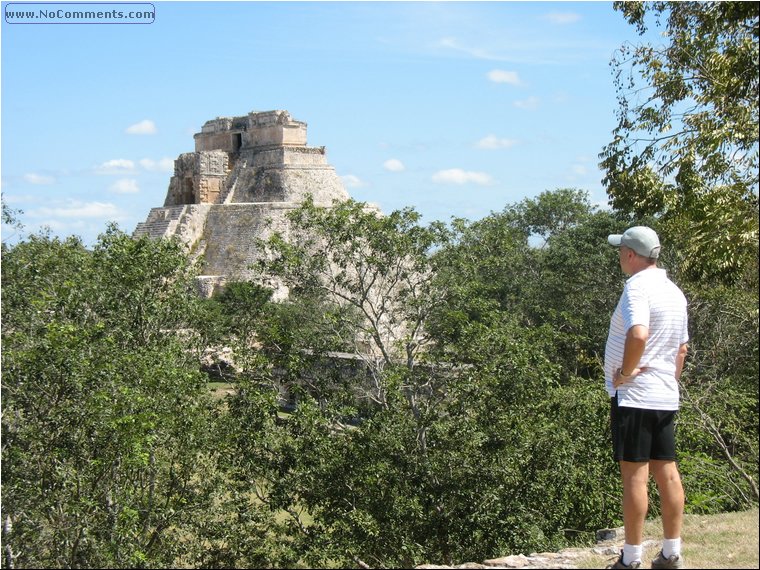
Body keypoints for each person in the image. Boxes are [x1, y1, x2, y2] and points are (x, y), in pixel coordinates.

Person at [603, 226, 689, 570]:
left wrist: (625, 372)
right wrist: (666, 379)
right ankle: (671, 553)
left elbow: (638, 333)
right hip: (664, 395)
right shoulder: (674, 291)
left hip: (635, 396)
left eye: (621, 250)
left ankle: (632, 557)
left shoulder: (636, 287)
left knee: (634, 477)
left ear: (630, 254)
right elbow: (681, 348)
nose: (620, 257)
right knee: (666, 472)